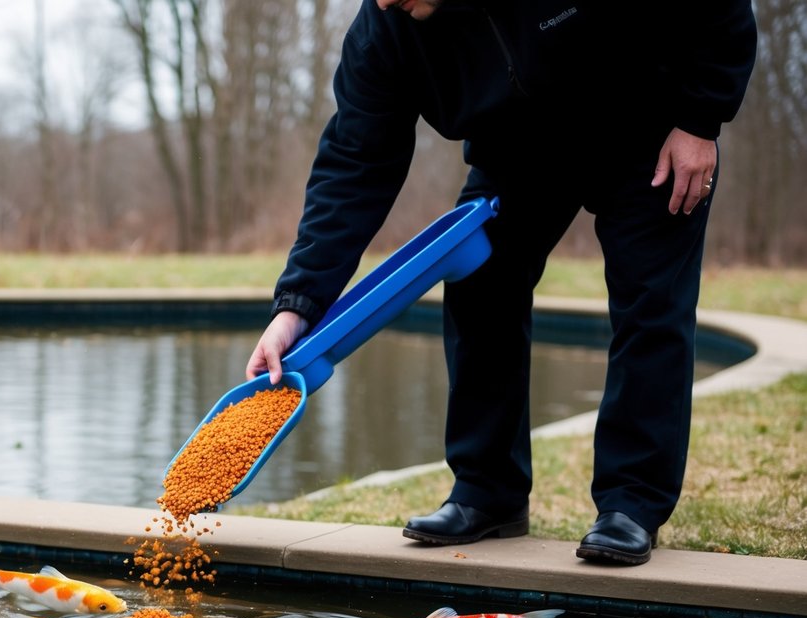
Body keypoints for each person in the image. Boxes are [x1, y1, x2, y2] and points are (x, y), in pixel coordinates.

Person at [245, 0, 757, 566]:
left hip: (647, 127)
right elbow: (353, 162)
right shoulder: (382, 33)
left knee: (650, 304)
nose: (385, 0)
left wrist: (700, 119)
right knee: (479, 282)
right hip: (518, 151)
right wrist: (297, 305)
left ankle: (631, 504)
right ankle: (489, 493)